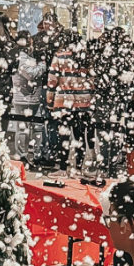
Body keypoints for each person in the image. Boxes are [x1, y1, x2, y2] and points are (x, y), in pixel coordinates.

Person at [89, 28, 134, 178]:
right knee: (116, 132)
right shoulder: (125, 58)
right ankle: (112, 165)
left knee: (104, 132)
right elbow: (131, 81)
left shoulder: (104, 56)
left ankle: (105, 165)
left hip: (106, 100)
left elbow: (97, 78)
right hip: (117, 101)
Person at [46, 29, 94, 175]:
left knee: (64, 136)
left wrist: (50, 101)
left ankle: (62, 168)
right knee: (80, 135)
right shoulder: (85, 57)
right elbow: (92, 80)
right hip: (83, 101)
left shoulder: (60, 57)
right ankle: (78, 168)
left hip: (64, 101)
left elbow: (52, 81)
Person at [32, 9, 64, 168]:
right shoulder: (39, 38)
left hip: (56, 83)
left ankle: (52, 149)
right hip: (46, 82)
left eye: (49, 23)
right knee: (46, 118)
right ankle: (48, 150)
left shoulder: (59, 38)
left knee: (52, 119)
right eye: (45, 23)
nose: (46, 25)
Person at [11, 30, 46, 166]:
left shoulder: (29, 54)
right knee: (23, 128)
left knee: (37, 127)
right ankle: (21, 155)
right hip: (23, 97)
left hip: (33, 97)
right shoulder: (21, 55)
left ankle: (37, 155)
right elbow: (29, 74)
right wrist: (42, 66)